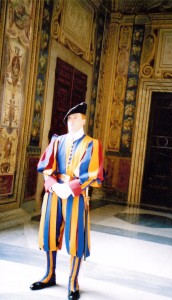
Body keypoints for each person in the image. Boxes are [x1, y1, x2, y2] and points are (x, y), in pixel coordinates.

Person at [30, 102, 104, 300]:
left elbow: (91, 173)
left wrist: (70, 188)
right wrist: (54, 186)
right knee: (49, 233)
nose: (71, 121)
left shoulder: (92, 144)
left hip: (76, 195)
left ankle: (73, 281)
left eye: (75, 118)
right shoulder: (57, 141)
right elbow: (47, 167)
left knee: (76, 237)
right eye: (69, 119)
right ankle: (49, 275)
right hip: (54, 192)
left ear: (83, 120)